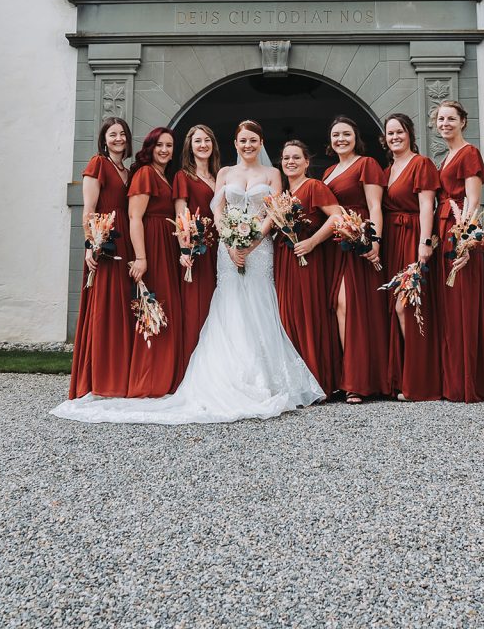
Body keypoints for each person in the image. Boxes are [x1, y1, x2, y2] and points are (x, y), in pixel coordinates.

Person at [51, 119, 323, 424]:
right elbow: (218, 210)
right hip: (226, 248)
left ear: (260, 144)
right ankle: (226, 375)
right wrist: (230, 241)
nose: (247, 145)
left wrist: (252, 241)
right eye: (243, 140)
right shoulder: (223, 173)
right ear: (235, 144)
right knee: (228, 305)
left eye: (253, 140)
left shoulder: (272, 174)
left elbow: (274, 211)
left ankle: (266, 377)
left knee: (260, 303)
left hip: (259, 250)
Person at [434, 100, 484, 403]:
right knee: (450, 307)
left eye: (451, 118)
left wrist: (465, 240)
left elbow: (473, 201)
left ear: (463, 121)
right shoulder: (445, 157)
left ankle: (468, 382)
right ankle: (453, 379)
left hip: (461, 233)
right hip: (445, 231)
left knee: (463, 302)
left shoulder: (469, 153)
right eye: (441, 119)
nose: (445, 124)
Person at [323, 116, 390, 403]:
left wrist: (374, 240)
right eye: (336, 135)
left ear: (355, 137)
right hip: (335, 246)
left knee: (349, 306)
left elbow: (374, 206)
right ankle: (347, 376)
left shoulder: (367, 164)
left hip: (359, 242)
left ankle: (358, 380)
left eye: (346, 134)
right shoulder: (329, 171)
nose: (341, 139)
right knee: (338, 308)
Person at [68, 117, 134, 399]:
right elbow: (89, 210)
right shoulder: (98, 164)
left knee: (122, 305)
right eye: (112, 134)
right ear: (104, 139)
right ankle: (99, 377)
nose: (118, 138)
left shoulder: (128, 171)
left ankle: (121, 373)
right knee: (104, 306)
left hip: (126, 241)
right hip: (105, 243)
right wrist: (90, 245)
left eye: (122, 134)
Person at [274, 140, 342, 399]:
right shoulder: (282, 195)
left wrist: (312, 242)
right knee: (287, 315)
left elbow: (336, 216)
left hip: (308, 257)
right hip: (285, 258)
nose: (290, 162)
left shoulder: (314, 186)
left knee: (308, 314)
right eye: (286, 158)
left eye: (296, 158)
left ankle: (317, 380)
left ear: (306, 162)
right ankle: (297, 384)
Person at [382, 113, 441, 401]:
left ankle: (421, 381)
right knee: (394, 307)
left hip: (413, 236)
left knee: (407, 306)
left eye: (400, 132)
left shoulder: (421, 164)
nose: (395, 137)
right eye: (390, 133)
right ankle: (402, 378)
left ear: (410, 134)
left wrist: (424, 242)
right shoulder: (387, 170)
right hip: (392, 241)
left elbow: (427, 205)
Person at [125, 127, 183, 397]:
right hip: (152, 247)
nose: (164, 150)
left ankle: (165, 376)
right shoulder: (145, 174)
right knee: (154, 310)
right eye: (159, 145)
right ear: (150, 147)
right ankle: (149, 381)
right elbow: (134, 217)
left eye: (169, 145)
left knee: (165, 310)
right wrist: (141, 257)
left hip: (166, 248)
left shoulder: (163, 175)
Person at [173, 124, 220, 374]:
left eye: (207, 140)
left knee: (219, 307)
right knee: (197, 308)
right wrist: (185, 250)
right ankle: (192, 372)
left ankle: (216, 368)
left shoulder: (219, 176)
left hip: (220, 250)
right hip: (197, 251)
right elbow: (181, 216)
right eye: (198, 141)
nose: (203, 145)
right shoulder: (183, 177)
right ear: (190, 147)